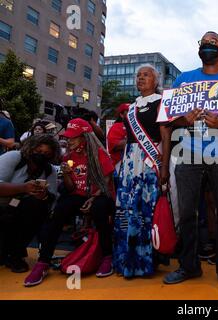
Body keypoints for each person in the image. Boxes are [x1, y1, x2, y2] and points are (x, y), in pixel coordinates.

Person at [163, 31, 218, 292]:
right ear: (198, 49)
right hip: (189, 153)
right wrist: (184, 120)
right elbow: (170, 118)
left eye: (213, 43)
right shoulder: (184, 80)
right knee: (188, 212)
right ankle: (188, 266)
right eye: (203, 43)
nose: (208, 46)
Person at [23, 118, 115, 287]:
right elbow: (71, 189)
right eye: (68, 137)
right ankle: (43, 262)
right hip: (79, 194)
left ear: (85, 137)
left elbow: (106, 181)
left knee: (100, 209)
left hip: (99, 193)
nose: (68, 140)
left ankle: (107, 257)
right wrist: (66, 173)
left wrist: (93, 198)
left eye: (73, 137)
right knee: (59, 211)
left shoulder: (100, 153)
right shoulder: (69, 156)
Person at [113, 65, 171, 279]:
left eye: (146, 75)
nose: (140, 78)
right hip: (130, 162)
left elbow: (166, 136)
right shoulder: (131, 107)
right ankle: (125, 260)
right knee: (127, 209)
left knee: (145, 211)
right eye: (138, 75)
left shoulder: (161, 102)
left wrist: (163, 166)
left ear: (156, 80)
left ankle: (144, 262)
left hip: (149, 161)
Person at [0, 134, 59, 273]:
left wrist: (43, 196)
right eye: (38, 152)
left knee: (38, 207)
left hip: (18, 210)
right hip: (2, 205)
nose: (42, 155)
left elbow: (52, 197)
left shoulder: (49, 170)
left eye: (46, 153)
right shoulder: (14, 157)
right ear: (30, 148)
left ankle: (15, 254)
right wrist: (23, 188)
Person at [106, 103, 130, 173]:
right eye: (127, 112)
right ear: (121, 115)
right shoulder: (116, 127)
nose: (130, 114)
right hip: (119, 164)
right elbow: (115, 146)